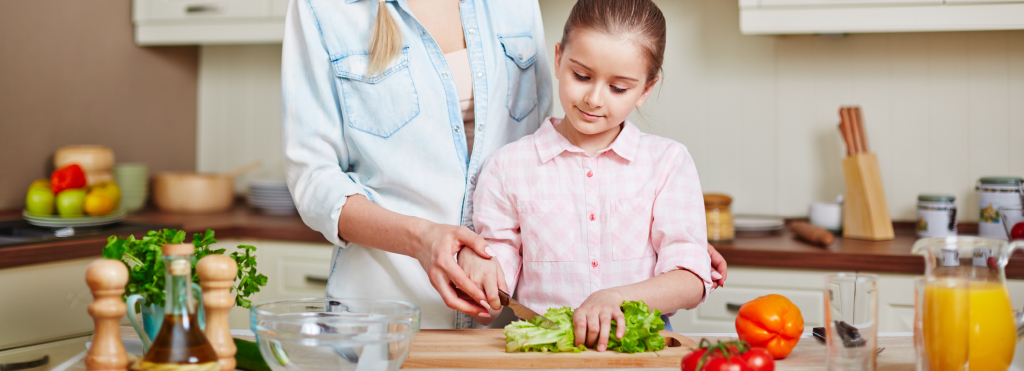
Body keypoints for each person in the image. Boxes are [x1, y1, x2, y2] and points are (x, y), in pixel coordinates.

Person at [459, 0, 723, 350]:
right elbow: (493, 282)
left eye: (618, 88)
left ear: (646, 89)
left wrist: (614, 298)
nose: (594, 98)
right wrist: (479, 276)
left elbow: (690, 279)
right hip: (545, 355)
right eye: (581, 76)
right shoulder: (507, 167)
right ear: (558, 59)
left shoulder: (668, 163)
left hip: (642, 353)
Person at [281, 0, 553, 329]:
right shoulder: (321, 7)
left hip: (503, 326)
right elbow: (314, 180)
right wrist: (420, 239)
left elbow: (543, 152)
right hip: (383, 319)